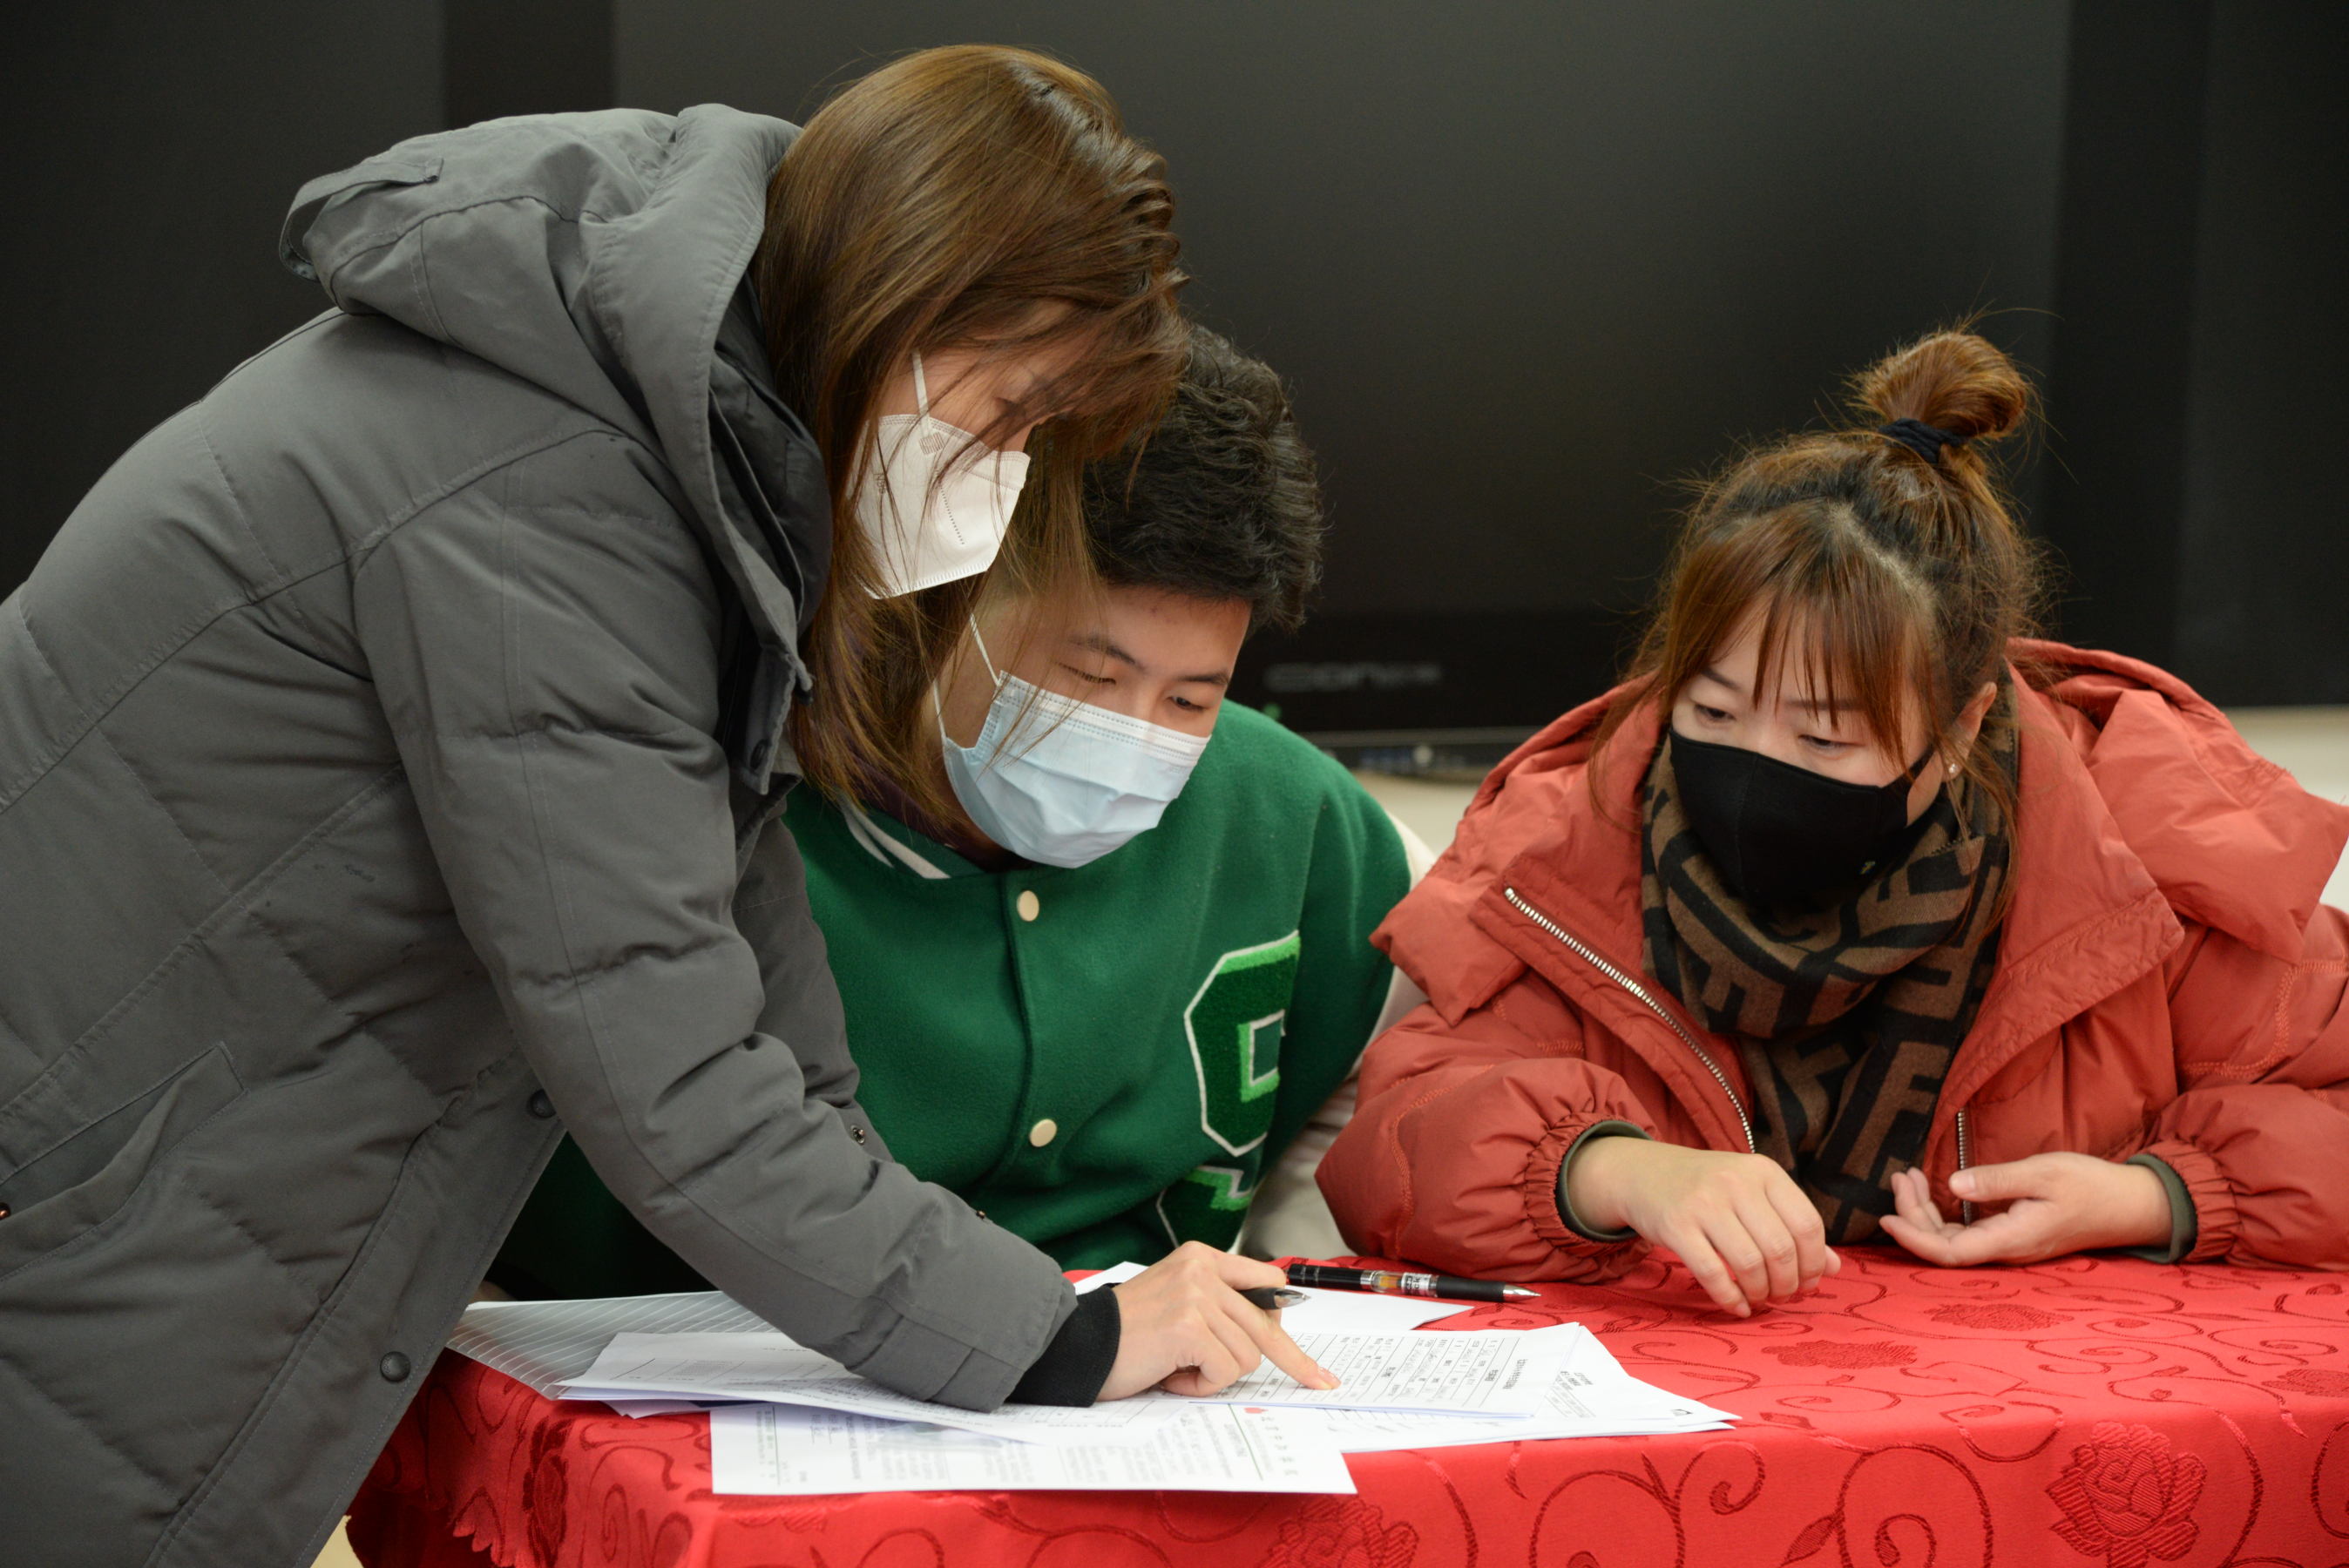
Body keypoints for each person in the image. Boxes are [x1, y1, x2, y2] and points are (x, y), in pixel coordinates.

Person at [0, 48, 1328, 1568]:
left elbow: (747, 967)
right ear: (902, 304)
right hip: (84, 1198)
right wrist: (1060, 1341)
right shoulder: (549, 491)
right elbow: (673, 1081)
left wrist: (995, 1300)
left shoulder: (670, 452)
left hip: (148, 1188)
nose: (1006, 478)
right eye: (1013, 415)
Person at [1320, 329, 2349, 1316]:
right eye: (1711, 713)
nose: (1754, 769)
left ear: (1957, 728)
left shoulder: (2146, 855)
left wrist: (2151, 1197)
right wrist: (1613, 1173)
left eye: (1821, 738)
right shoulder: (1563, 847)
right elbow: (1390, 1145)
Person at [491, 325, 1419, 1300]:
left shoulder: (1297, 818)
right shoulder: (706, 801)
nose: (1135, 734)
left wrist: (1290, 1266)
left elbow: (1397, 1082)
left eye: (1190, 698)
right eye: (1090, 675)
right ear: (943, 599)